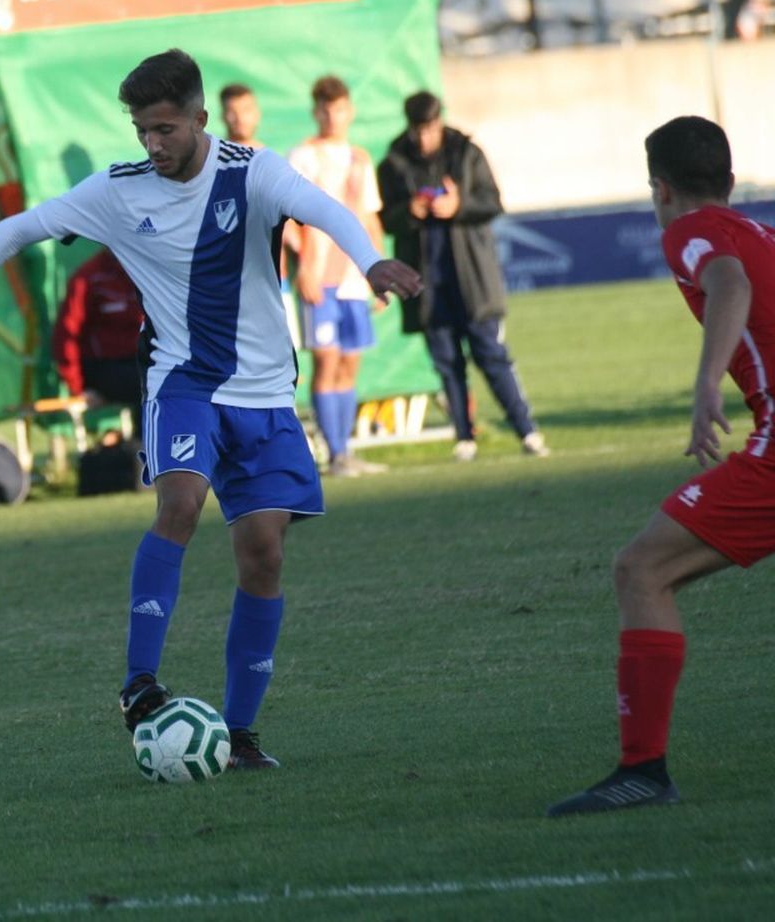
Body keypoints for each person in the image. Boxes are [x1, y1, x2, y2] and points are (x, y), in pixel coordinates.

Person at [0, 49, 422, 768]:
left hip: (267, 394)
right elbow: (18, 229)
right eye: (143, 130)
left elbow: (326, 210)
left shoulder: (254, 171)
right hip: (184, 384)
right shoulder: (119, 191)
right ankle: (138, 680)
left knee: (263, 555)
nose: (152, 145)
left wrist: (369, 262)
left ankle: (240, 736)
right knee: (178, 503)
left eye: (166, 129)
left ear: (201, 119)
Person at [548, 116, 768, 817]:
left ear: (660, 188)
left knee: (642, 570)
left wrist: (707, 386)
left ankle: (642, 770)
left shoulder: (691, 232)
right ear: (730, 182)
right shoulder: (762, 232)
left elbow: (728, 286)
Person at [377, 91, 548, 462]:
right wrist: (412, 210)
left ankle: (527, 430)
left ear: (440, 121)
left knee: (491, 355)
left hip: (471, 276)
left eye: (429, 129)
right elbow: (386, 218)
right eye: (417, 130)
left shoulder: (466, 152)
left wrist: (458, 207)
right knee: (446, 363)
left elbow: (493, 202)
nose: (423, 138)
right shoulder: (393, 162)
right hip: (427, 280)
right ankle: (464, 436)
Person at [288, 75, 387, 477]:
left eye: (340, 108)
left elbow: (370, 217)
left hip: (352, 278)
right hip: (320, 277)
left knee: (350, 362)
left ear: (350, 111)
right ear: (316, 112)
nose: (333, 116)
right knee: (326, 363)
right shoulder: (302, 157)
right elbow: (288, 218)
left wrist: (378, 270)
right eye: (326, 109)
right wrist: (303, 265)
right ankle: (334, 453)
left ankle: (345, 450)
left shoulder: (360, 159)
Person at [52, 246, 144, 429]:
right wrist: (78, 387)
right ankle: (147, 449)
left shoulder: (149, 273)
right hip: (103, 367)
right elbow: (65, 336)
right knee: (152, 383)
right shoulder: (88, 278)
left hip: (140, 362)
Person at [219, 83, 263, 148]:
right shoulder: (212, 155)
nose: (240, 119)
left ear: (257, 114)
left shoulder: (270, 156)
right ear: (222, 116)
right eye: (232, 112)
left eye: (246, 110)